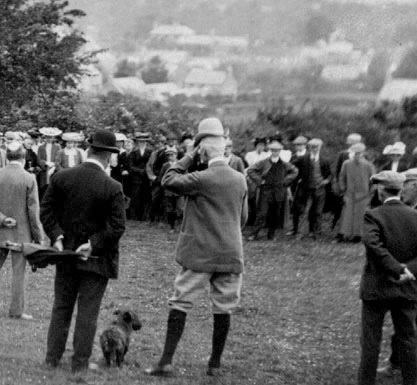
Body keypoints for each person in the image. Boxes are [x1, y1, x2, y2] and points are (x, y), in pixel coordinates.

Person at [145, 120, 248, 378]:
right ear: (225, 151)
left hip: (199, 254)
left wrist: (189, 156)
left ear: (203, 151)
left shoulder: (201, 178)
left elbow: (167, 179)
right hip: (230, 253)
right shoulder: (240, 179)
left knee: (180, 302)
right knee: (224, 307)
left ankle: (166, 361)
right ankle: (214, 363)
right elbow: (243, 219)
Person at [40, 129, 126, 373]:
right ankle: (79, 363)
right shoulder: (113, 186)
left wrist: (56, 236)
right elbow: (118, 226)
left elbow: (46, 211)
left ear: (88, 150)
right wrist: (93, 243)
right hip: (96, 260)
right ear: (108, 157)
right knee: (88, 313)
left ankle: (51, 359)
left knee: (61, 308)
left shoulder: (61, 178)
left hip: (65, 254)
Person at [358, 170, 417, 385]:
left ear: (380, 190)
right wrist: (408, 270)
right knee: (408, 340)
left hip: (376, 288)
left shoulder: (373, 215)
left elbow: (373, 245)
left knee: (370, 343)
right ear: (400, 190)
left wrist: (396, 268)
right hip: (406, 288)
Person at [0, 141, 45, 320]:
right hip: (21, 234)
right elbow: (33, 212)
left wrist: (1, 219)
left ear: (6, 156)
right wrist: (39, 238)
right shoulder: (29, 178)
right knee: (19, 274)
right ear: (24, 158)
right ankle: (16, 311)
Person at [247, 140, 298, 240]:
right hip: (266, 191)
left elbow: (295, 171)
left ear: (280, 151)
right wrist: (260, 180)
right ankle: (254, 234)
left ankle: (271, 235)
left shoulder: (284, 163)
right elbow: (250, 170)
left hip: (278, 191)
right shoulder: (264, 162)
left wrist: (286, 180)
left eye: (277, 151)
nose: (275, 152)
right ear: (270, 151)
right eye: (273, 150)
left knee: (275, 214)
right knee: (262, 213)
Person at [290, 138, 332, 238]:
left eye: (316, 147)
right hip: (306, 189)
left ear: (320, 147)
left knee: (318, 212)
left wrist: (326, 181)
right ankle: (300, 233)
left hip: (320, 189)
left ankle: (316, 233)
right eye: (312, 147)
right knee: (304, 211)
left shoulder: (324, 160)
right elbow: (292, 167)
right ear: (309, 147)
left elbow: (329, 174)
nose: (315, 149)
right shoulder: (303, 158)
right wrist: (298, 178)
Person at [339, 143, 376, 242]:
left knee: (360, 216)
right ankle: (344, 234)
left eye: (359, 153)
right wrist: (342, 189)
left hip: (364, 195)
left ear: (363, 153)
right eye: (355, 153)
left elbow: (374, 180)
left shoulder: (369, 165)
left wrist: (371, 193)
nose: (357, 155)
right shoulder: (346, 164)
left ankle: (358, 236)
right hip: (349, 193)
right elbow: (341, 177)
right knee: (347, 215)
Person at [127, 132, 153, 221]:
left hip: (147, 178)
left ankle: (145, 216)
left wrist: (148, 172)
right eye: (140, 141)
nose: (142, 143)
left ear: (146, 142)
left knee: (146, 197)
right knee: (136, 197)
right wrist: (140, 171)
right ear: (137, 142)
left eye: (143, 141)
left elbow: (152, 164)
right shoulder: (133, 152)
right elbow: (131, 166)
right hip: (136, 178)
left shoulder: (150, 152)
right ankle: (135, 216)